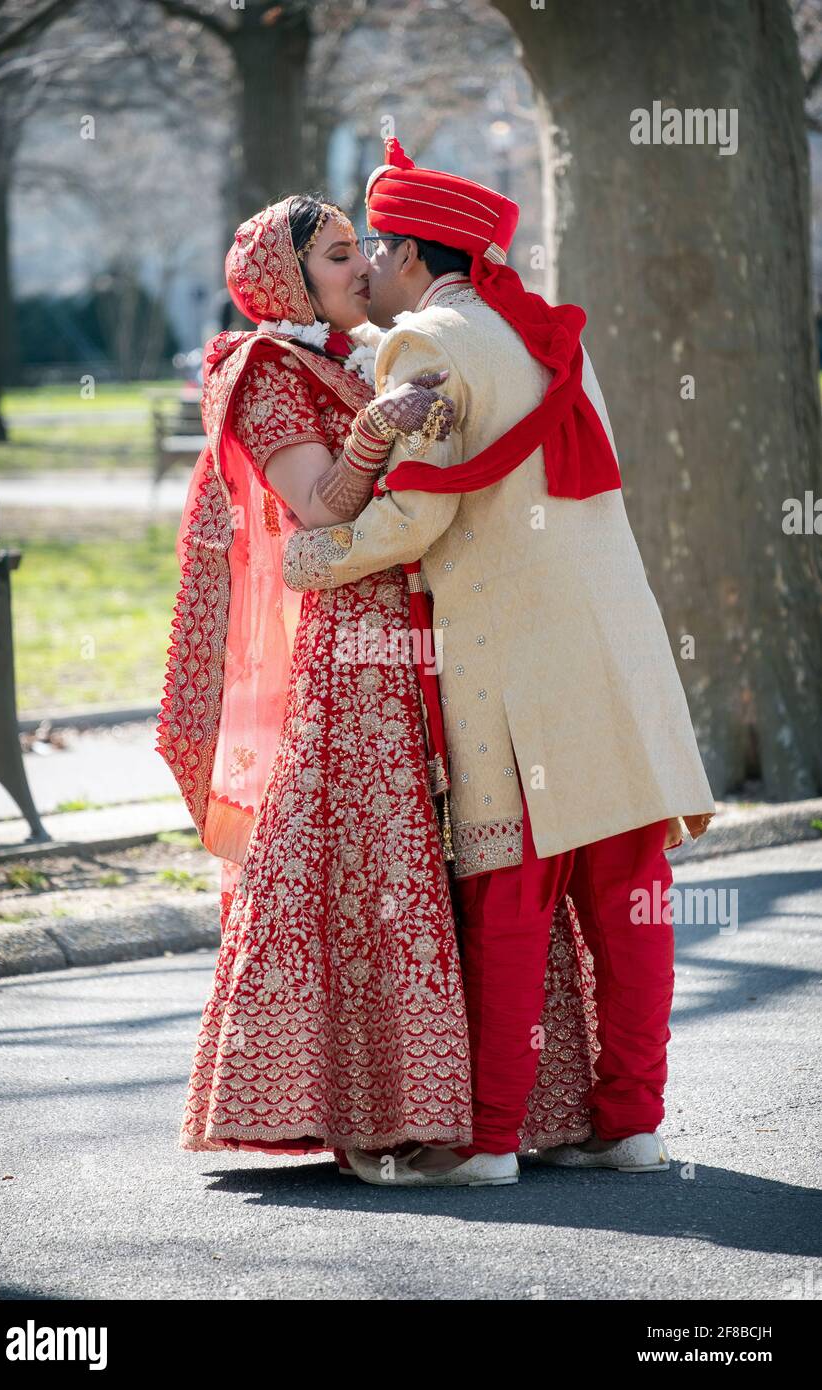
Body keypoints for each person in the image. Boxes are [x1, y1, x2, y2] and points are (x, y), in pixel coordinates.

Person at [281, 142, 717, 1187]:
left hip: (514, 663)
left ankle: (483, 1143)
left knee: (511, 899)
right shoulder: (541, 327)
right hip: (617, 647)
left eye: (371, 249)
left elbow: (420, 510)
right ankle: (631, 1125)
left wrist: (310, 554)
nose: (365, 270)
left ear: (404, 252)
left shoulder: (421, 340)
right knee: (628, 891)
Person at [156, 193, 600, 1182]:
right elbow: (313, 510)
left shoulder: (354, 358)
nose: (363, 267)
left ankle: (498, 1110)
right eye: (340, 255)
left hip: (428, 628)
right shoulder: (263, 370)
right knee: (374, 859)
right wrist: (375, 435)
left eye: (364, 250)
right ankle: (366, 1111)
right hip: (355, 650)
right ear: (289, 278)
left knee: (462, 850)